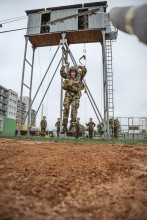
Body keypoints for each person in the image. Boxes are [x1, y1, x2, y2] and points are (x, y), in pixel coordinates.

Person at [60, 64, 87, 133]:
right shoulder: (67, 76)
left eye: (74, 72)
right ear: (70, 72)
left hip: (76, 96)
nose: (73, 73)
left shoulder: (79, 77)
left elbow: (85, 70)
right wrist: (64, 66)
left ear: (76, 72)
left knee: (74, 109)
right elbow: (61, 72)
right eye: (71, 72)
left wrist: (80, 66)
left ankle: (72, 125)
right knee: (66, 108)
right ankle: (64, 126)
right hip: (68, 95)